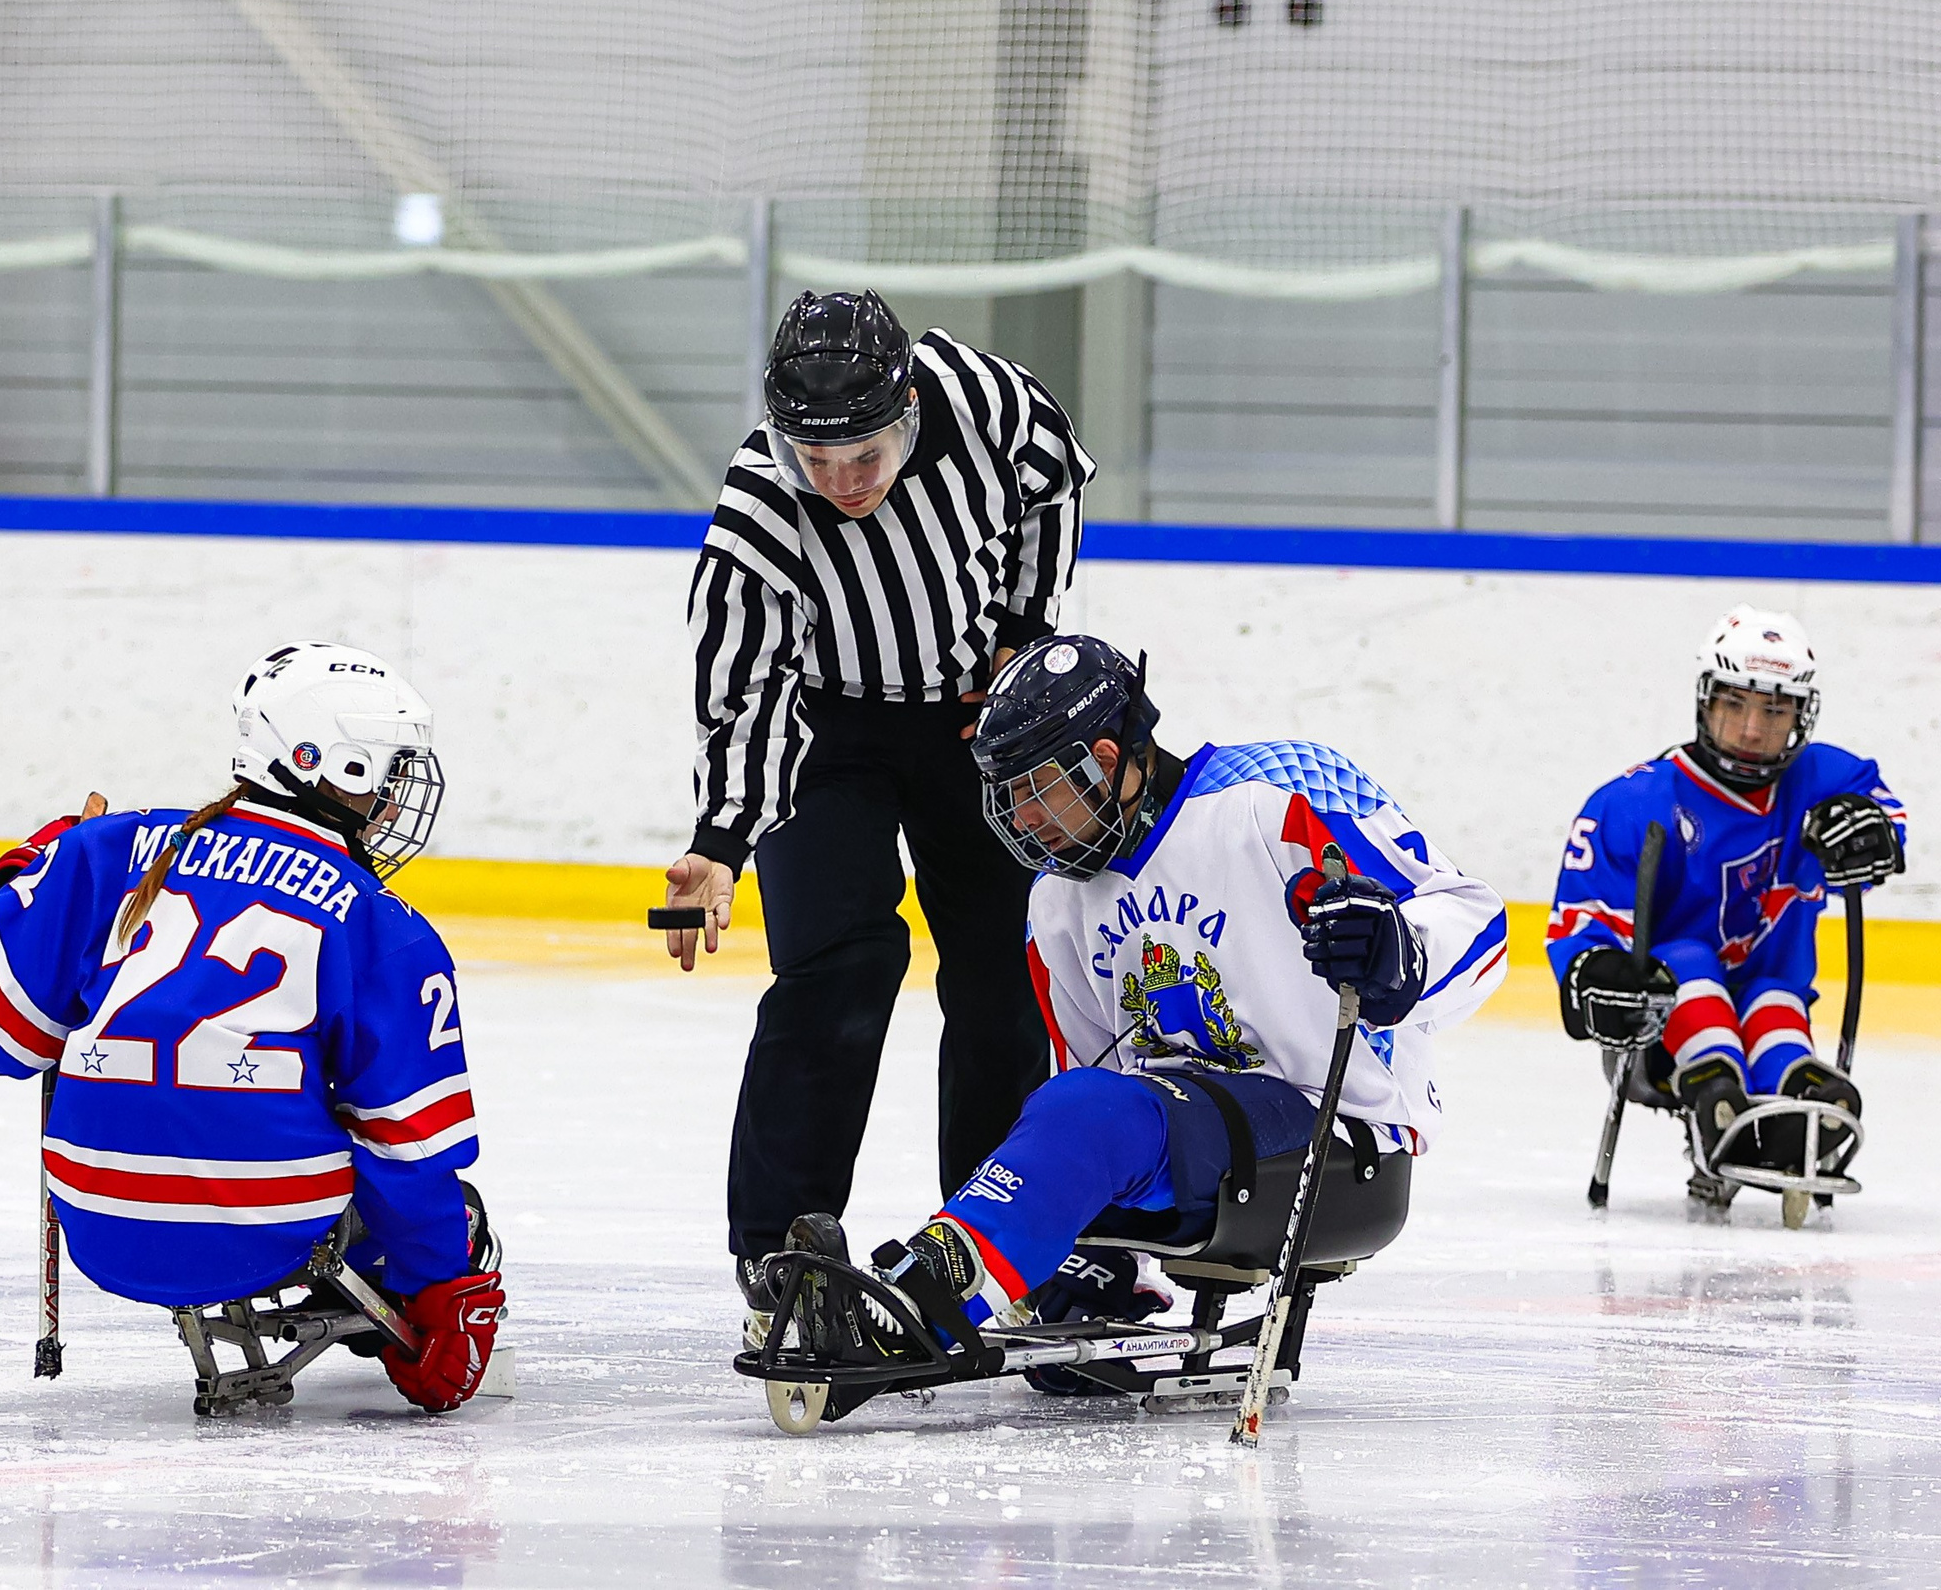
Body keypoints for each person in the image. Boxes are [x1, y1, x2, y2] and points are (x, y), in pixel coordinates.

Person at [771, 634, 1507, 1369]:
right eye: (1007, 795)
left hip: (1336, 1139)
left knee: (1087, 1107)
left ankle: (916, 1304)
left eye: (1035, 787)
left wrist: (1399, 954)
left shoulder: (1279, 792)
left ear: (1106, 758)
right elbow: (1099, 1080)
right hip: (1198, 1142)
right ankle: (1001, 1283)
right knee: (1060, 1115)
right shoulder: (1055, 902)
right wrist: (1097, 1262)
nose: (1020, 818)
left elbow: (1479, 920)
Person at [657, 288, 1094, 1317]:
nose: (842, 482)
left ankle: (1000, 1234)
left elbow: (1056, 478)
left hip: (971, 718)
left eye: (865, 455)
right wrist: (721, 838)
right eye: (816, 458)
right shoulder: (759, 512)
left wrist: (1024, 631)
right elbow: (747, 689)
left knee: (1003, 976)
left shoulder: (983, 401)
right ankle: (779, 1243)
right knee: (837, 970)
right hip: (826, 733)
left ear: (909, 410)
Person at [0, 642, 503, 1414]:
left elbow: (1, 1032)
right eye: (386, 771)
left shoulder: (114, 850)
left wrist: (32, 869)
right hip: (263, 1227)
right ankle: (373, 1296)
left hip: (100, 1223)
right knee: (448, 1204)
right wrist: (443, 1289)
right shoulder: (381, 922)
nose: (393, 799)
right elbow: (407, 1149)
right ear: (329, 762)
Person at [1545, 605, 1906, 1175]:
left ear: (1801, 714)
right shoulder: (1634, 803)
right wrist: (1594, 969)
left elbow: (1881, 810)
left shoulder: (1820, 782)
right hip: (1658, 1039)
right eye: (1734, 704)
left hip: (1775, 998)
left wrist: (1870, 831)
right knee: (1688, 958)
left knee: (1773, 991)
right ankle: (1713, 1082)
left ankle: (1796, 1088)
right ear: (1706, 701)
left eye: (1775, 709)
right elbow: (1581, 922)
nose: (1752, 729)